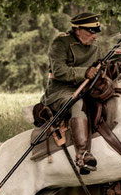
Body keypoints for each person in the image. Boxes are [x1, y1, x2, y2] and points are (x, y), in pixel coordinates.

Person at [41, 12, 102, 174]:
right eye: (90, 32)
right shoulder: (60, 43)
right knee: (77, 104)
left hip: (87, 90)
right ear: (77, 30)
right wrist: (84, 72)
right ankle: (82, 154)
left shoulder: (96, 46)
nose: (94, 37)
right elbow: (59, 71)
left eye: (96, 32)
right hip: (60, 92)